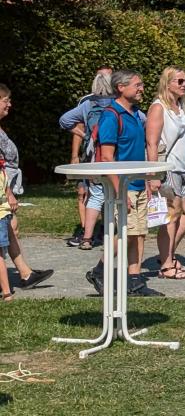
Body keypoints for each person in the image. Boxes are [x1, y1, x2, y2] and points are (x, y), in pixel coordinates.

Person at [87, 70, 158, 297]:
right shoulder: (111, 115)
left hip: (138, 183)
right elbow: (107, 158)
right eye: (137, 85)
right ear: (121, 87)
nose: (141, 88)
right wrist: (121, 190)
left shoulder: (136, 114)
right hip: (122, 186)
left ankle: (134, 280)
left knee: (138, 233)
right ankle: (99, 271)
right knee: (126, 233)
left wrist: (146, 179)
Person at [144, 67, 185, 281]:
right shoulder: (158, 108)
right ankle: (166, 264)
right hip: (169, 168)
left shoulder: (180, 106)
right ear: (167, 83)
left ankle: (167, 253)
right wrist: (152, 175)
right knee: (172, 215)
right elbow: (152, 143)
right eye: (179, 81)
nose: (184, 84)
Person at [0, 84, 54, 298]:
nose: (9, 104)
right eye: (6, 100)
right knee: (9, 229)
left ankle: (25, 272)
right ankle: (14, 281)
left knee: (11, 229)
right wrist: (9, 193)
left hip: (5, 185)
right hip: (3, 188)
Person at [59, 69, 114, 249]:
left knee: (96, 195)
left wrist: (86, 136)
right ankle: (111, 234)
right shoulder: (120, 104)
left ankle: (87, 238)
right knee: (117, 194)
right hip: (117, 156)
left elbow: (64, 121)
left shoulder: (87, 104)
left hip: (94, 158)